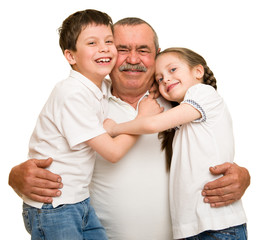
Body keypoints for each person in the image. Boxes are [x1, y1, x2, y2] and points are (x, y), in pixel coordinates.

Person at [9, 18, 250, 240]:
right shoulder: (86, 99)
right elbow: (51, 148)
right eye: (122, 49)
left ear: (157, 55)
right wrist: (15, 178)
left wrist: (242, 176)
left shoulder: (179, 102)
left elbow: (213, 144)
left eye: (143, 50)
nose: (133, 59)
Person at [20, 10, 162, 240]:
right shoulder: (74, 94)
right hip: (58, 205)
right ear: (71, 56)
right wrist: (141, 122)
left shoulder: (100, 90)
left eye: (108, 42)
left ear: (157, 54)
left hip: (78, 203)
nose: (105, 48)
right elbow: (112, 152)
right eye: (123, 48)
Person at [104, 47, 248, 239]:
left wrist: (114, 128)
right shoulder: (184, 114)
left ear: (198, 72)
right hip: (193, 228)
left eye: (172, 70)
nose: (166, 80)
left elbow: (153, 123)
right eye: (160, 79)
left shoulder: (203, 94)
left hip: (216, 225)